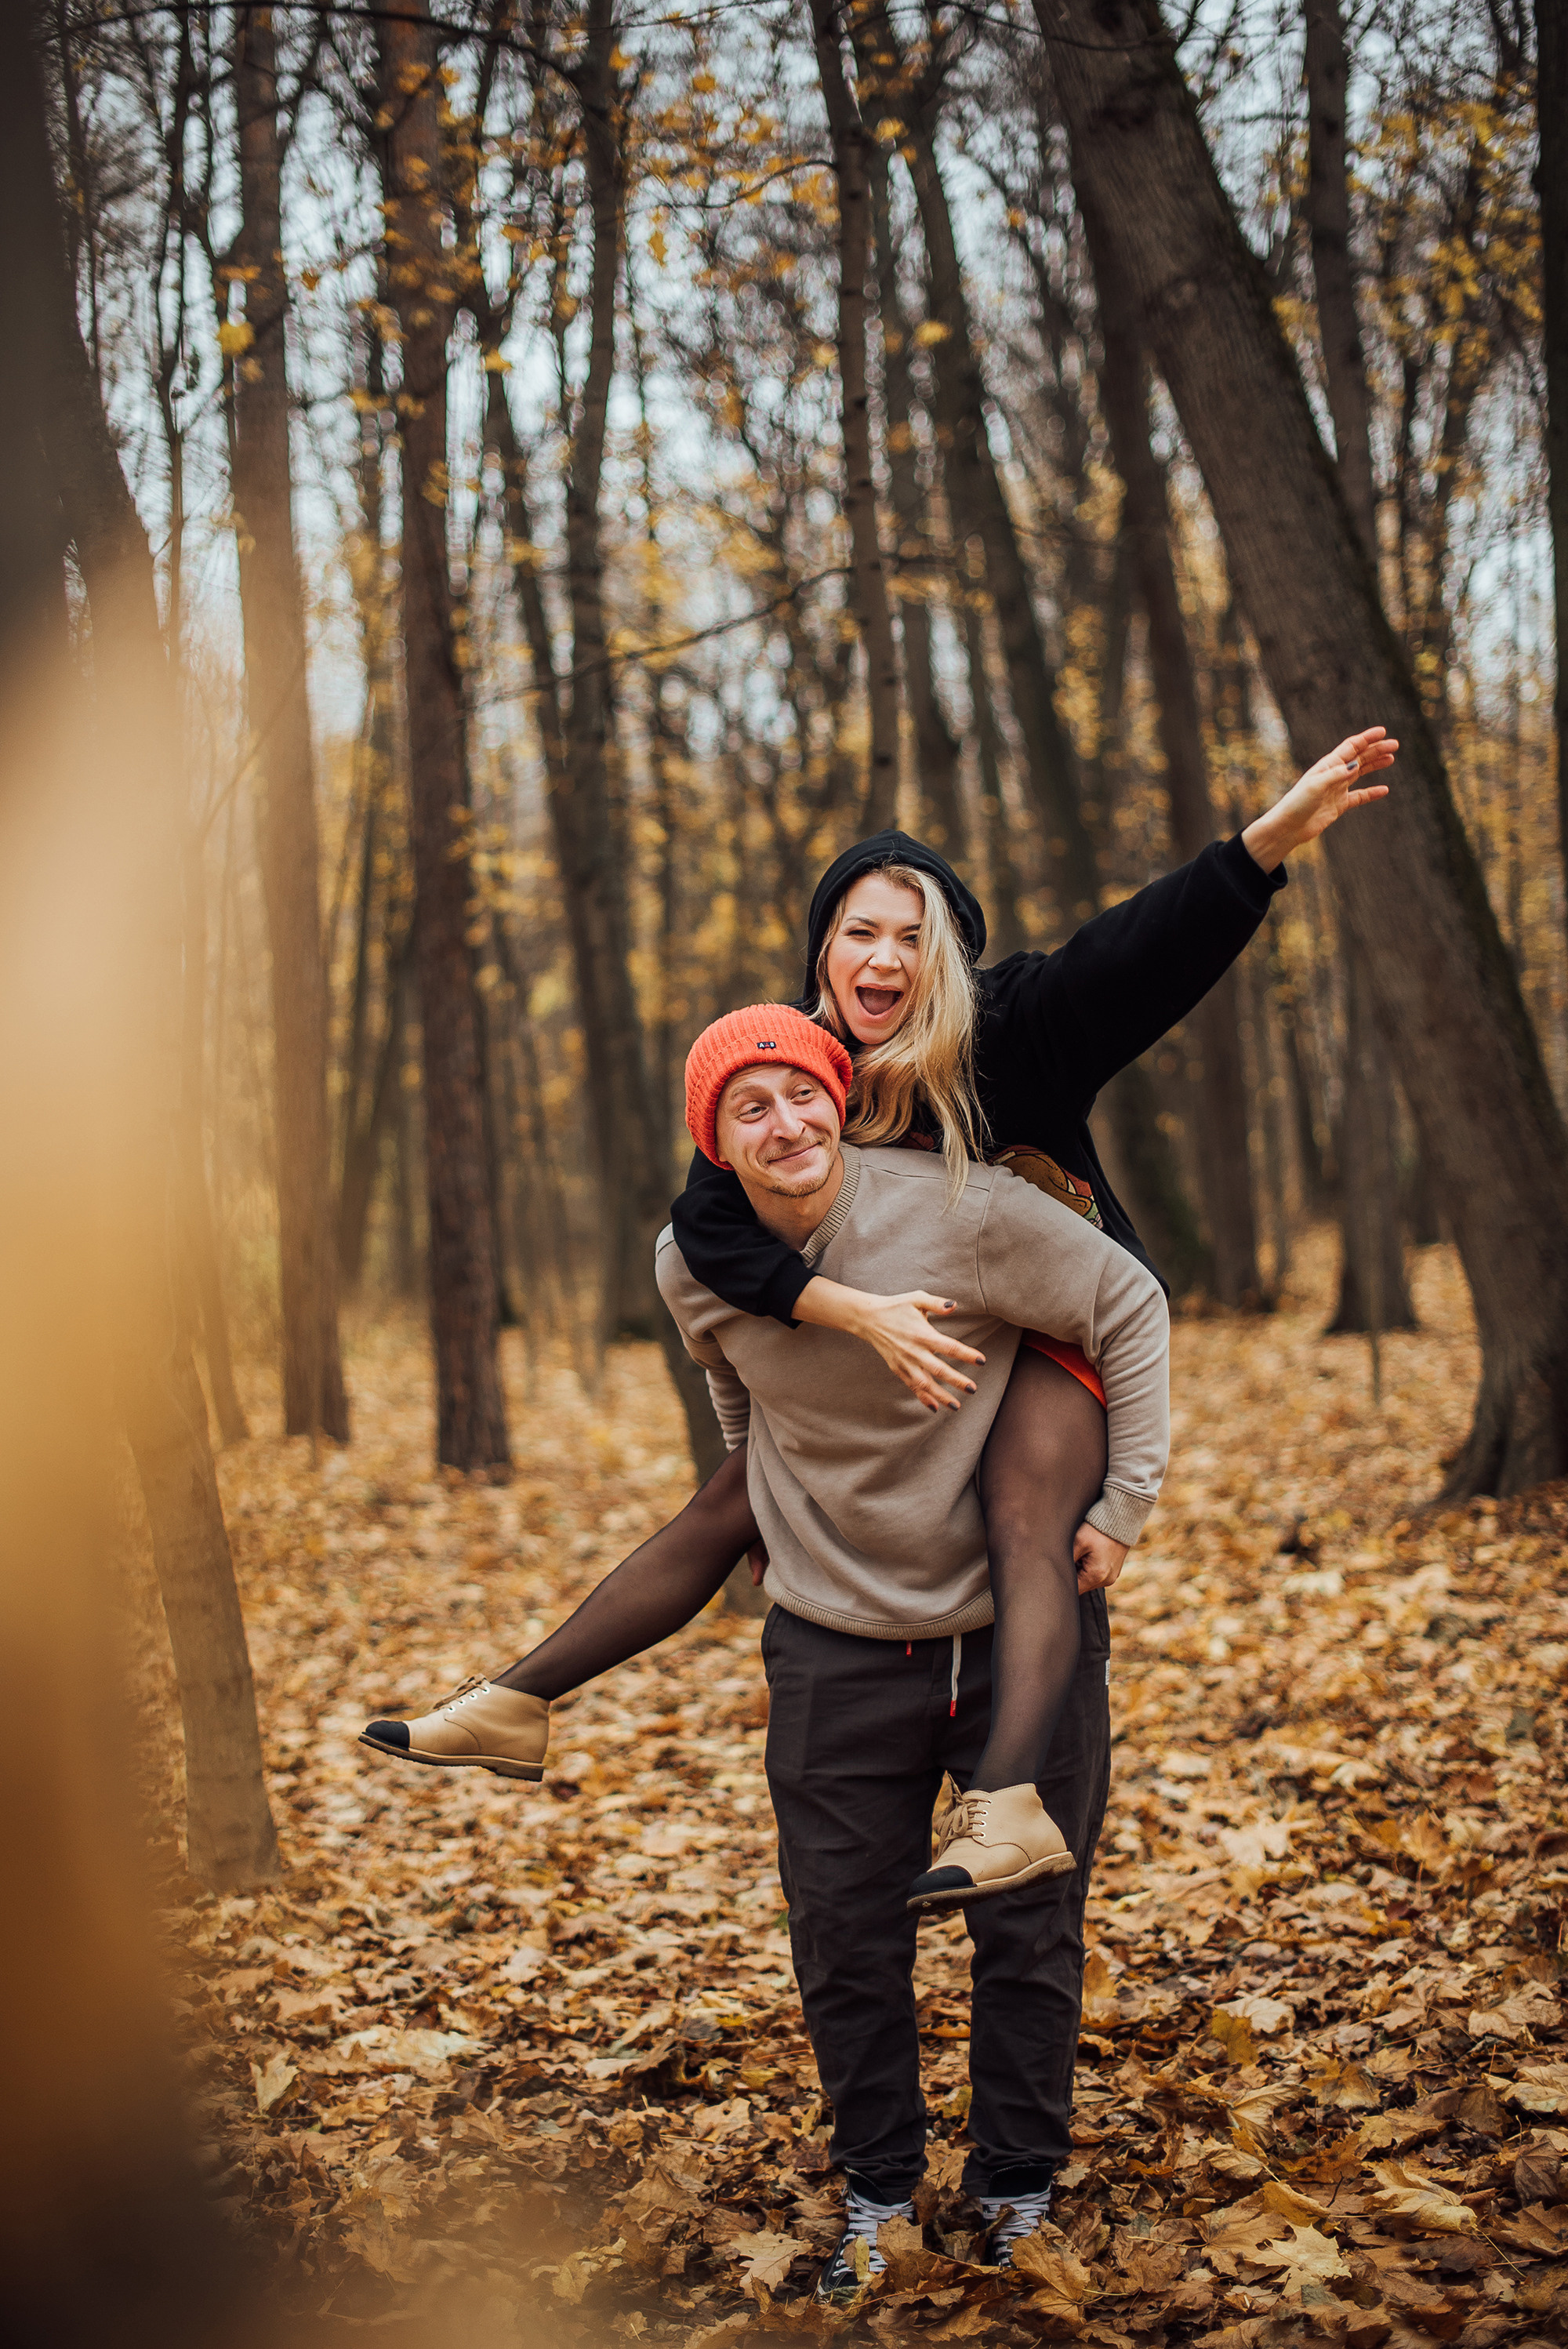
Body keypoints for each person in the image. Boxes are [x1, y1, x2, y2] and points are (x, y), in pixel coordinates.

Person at [360, 728, 1395, 1819]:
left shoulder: (1012, 1032)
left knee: (1020, 1499)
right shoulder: (800, 1071)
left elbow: (1136, 956)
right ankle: (517, 1698)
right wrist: (835, 1340)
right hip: (899, 1342)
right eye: (861, 934)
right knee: (736, 1495)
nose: (885, 960)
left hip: (1052, 1324)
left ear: (946, 953)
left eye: (915, 936)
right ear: (824, 952)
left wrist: (1263, 846)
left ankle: (1009, 1803)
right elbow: (707, 1220)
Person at [655, 1007, 1165, 2295]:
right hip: (835, 1646)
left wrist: (1124, 1504)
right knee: (842, 1936)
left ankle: (1017, 2194)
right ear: (712, 1142)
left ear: (843, 1096)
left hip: (1017, 1636)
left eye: (802, 1093)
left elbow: (1126, 1297)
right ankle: (880, 2199)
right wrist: (760, 1494)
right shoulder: (691, 1257)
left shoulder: (963, 1212)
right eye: (748, 1109)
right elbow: (735, 1378)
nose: (785, 1124)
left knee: (1031, 1924)